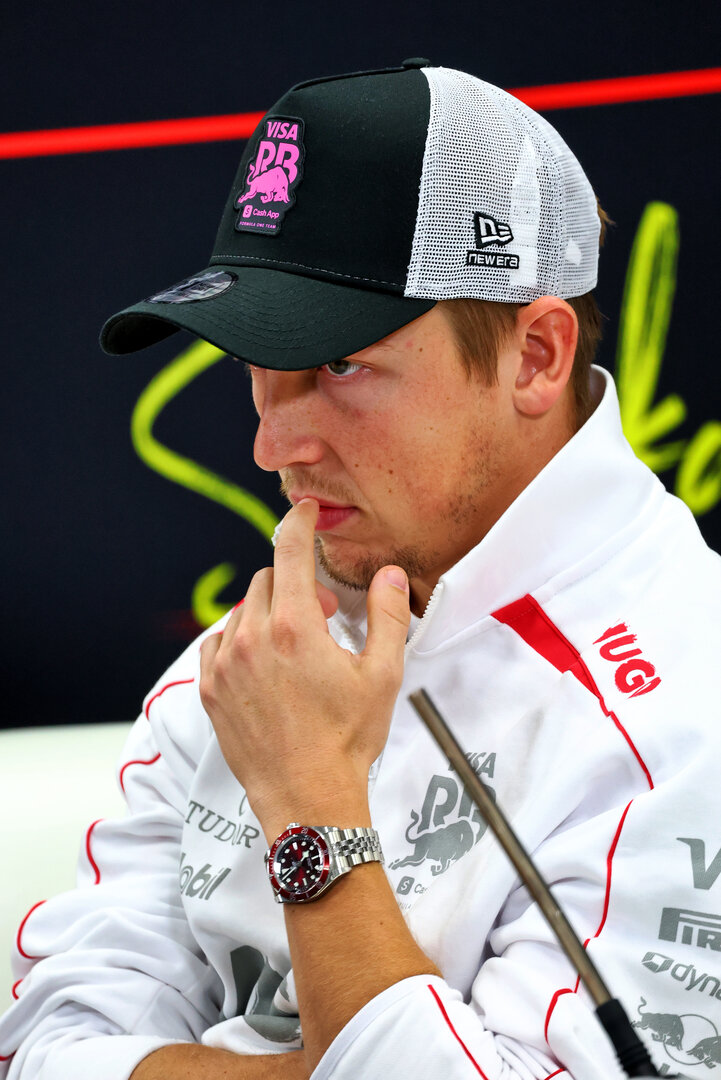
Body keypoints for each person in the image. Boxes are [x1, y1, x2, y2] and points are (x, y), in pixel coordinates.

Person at [1, 59, 719, 1080]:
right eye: (256, 363)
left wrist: (308, 803)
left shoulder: (688, 716)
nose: (271, 445)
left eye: (343, 364)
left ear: (535, 357)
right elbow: (42, 1051)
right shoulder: (256, 657)